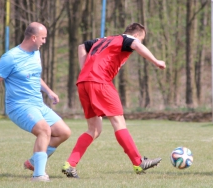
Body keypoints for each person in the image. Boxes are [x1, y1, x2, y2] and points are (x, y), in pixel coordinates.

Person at [62, 22, 166, 178]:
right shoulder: (127, 40)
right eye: (140, 39)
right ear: (136, 35)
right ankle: (138, 162)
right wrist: (157, 62)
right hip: (100, 81)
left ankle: (70, 164)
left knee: (94, 129)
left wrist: (85, 69)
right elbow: (137, 45)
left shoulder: (104, 40)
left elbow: (81, 46)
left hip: (83, 82)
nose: (139, 42)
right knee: (119, 122)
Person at [0, 22, 71, 182]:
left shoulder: (35, 54)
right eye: (43, 38)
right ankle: (38, 175)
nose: (44, 41)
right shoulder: (10, 57)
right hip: (19, 106)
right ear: (34, 38)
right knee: (44, 130)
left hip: (38, 104)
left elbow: (34, 76)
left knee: (63, 132)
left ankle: (33, 162)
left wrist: (49, 91)